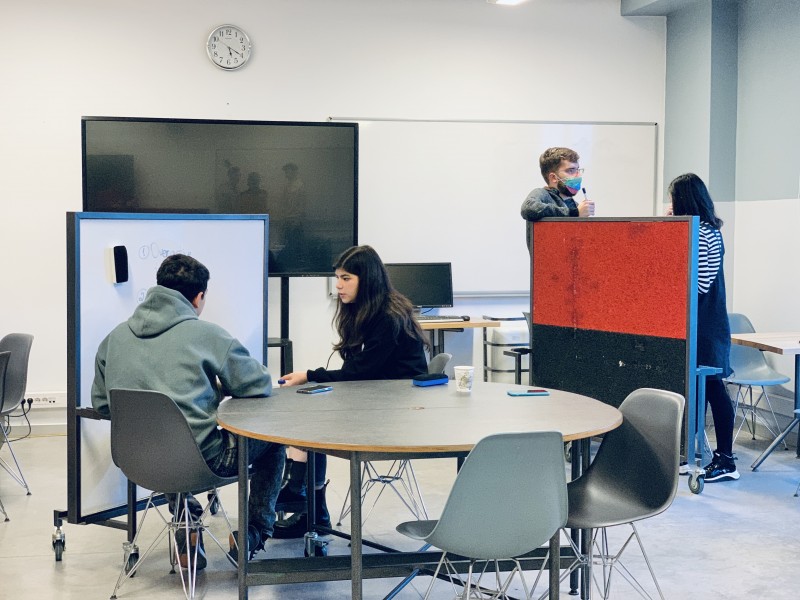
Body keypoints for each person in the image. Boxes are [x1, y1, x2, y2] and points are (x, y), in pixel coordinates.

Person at [91, 253, 286, 565]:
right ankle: (254, 533)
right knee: (272, 441)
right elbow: (258, 384)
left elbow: (102, 404)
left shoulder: (113, 339)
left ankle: (187, 528)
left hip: (136, 460)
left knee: (166, 437)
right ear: (198, 297)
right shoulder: (208, 335)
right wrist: (216, 390)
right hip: (203, 461)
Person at [275, 245, 429, 538]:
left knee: (310, 419)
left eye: (346, 278)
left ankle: (303, 498)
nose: (338, 285)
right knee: (308, 415)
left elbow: (359, 372)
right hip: (376, 397)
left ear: (366, 279)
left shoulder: (388, 316)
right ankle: (307, 505)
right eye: (337, 278)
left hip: (398, 412)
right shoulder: (367, 311)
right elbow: (359, 371)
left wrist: (309, 375)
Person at [668, 173, 738, 482]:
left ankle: (726, 460)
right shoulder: (704, 230)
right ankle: (686, 454)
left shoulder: (703, 234)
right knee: (697, 390)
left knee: (713, 389)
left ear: (684, 200)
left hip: (705, 326)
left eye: (674, 199)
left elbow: (697, 285)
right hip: (700, 324)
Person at [520, 147, 596, 250]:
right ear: (553, 178)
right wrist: (574, 213)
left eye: (578, 170)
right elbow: (528, 209)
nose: (577, 176)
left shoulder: (575, 206)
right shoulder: (542, 194)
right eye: (571, 171)